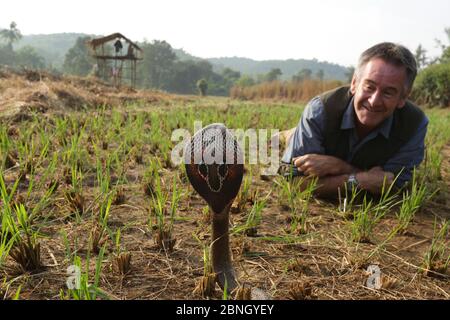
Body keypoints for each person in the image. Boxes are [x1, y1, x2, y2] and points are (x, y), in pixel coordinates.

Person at [281, 42, 428, 198]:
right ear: (354, 84)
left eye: (388, 93)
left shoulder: (414, 124)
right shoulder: (320, 109)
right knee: (292, 139)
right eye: (369, 87)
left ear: (403, 98)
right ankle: (289, 135)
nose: (374, 101)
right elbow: (296, 182)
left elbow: (393, 186)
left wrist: (340, 167)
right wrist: (361, 179)